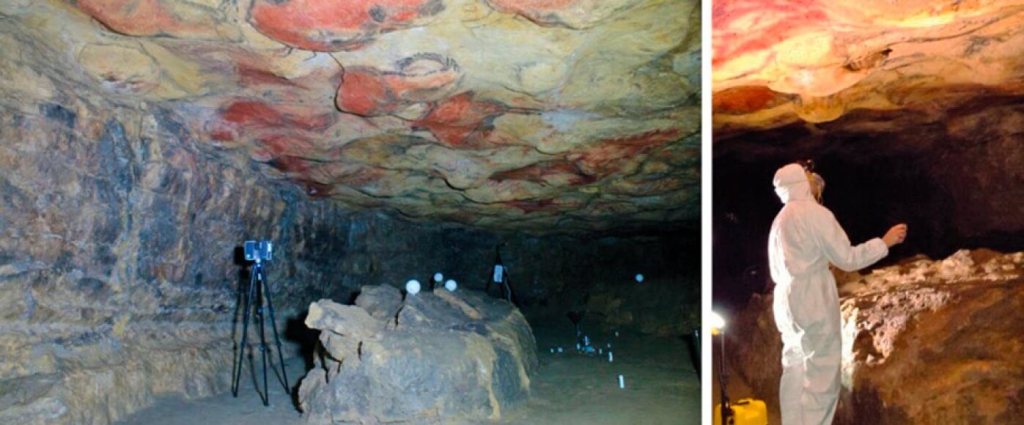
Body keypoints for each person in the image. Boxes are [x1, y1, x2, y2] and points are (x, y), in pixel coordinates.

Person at [768, 162, 907, 425]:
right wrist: (884, 242)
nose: (814, 180)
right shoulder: (815, 214)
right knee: (821, 373)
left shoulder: (780, 219)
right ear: (800, 182)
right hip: (812, 296)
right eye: (807, 176)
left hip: (786, 300)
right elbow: (847, 258)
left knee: (794, 368)